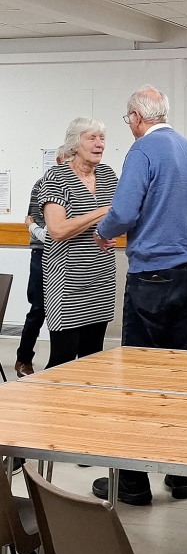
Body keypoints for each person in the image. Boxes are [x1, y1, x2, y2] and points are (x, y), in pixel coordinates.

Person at [91, 84, 187, 506]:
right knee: (175, 376)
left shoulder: (141, 152)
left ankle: (134, 483)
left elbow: (123, 211)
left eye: (128, 120)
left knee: (139, 378)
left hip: (153, 274)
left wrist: (105, 234)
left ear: (138, 118)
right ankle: (181, 477)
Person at [38, 121, 118, 369]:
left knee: (93, 358)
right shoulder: (56, 176)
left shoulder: (107, 175)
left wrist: (108, 229)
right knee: (63, 357)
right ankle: (54, 407)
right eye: (92, 138)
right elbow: (58, 230)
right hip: (66, 283)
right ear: (75, 143)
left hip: (100, 279)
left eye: (102, 138)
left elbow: (119, 217)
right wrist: (103, 212)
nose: (99, 144)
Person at [15, 146, 66, 378]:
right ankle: (23, 359)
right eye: (69, 158)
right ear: (58, 160)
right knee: (38, 309)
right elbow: (38, 225)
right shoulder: (43, 184)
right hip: (43, 254)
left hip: (67, 255)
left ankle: (61, 363)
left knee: (64, 310)